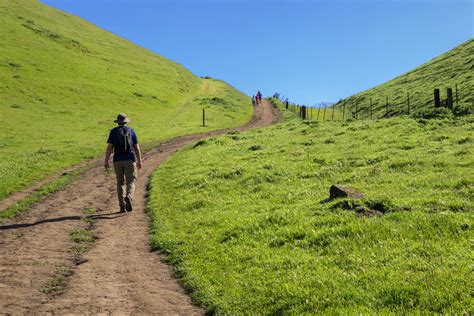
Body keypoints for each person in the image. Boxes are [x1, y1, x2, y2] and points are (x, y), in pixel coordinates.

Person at [104, 113, 142, 212]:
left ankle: (122, 205)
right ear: (126, 121)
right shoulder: (131, 131)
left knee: (120, 183)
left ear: (118, 122)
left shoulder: (113, 132)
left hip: (117, 160)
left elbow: (109, 147)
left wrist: (106, 160)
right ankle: (129, 196)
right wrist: (139, 160)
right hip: (130, 159)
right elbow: (136, 147)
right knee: (131, 181)